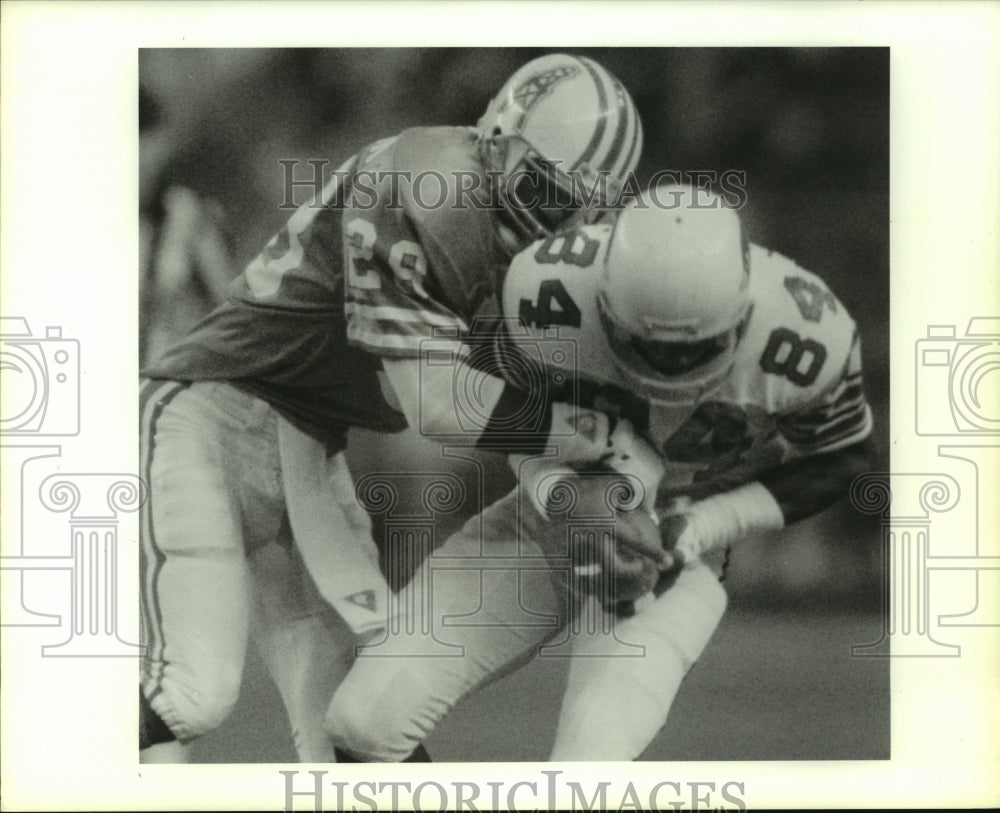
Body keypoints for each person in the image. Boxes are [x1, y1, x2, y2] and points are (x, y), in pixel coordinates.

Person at [138, 53, 645, 762]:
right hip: (209, 412)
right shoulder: (425, 182)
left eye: (572, 205)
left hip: (304, 444)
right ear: (496, 136)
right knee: (193, 689)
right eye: (539, 187)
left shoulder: (530, 259)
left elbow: (517, 402)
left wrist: (568, 489)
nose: (547, 217)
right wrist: (585, 433)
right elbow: (439, 404)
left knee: (362, 726)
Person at [325, 184, 875, 761]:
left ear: (743, 315)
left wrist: (700, 526)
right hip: (540, 523)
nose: (668, 366)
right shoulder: (543, 292)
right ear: (604, 298)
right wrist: (561, 491)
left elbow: (847, 457)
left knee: (586, 773)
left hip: (666, 559)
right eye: (646, 344)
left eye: (693, 350)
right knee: (364, 722)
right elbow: (493, 414)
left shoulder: (804, 334)